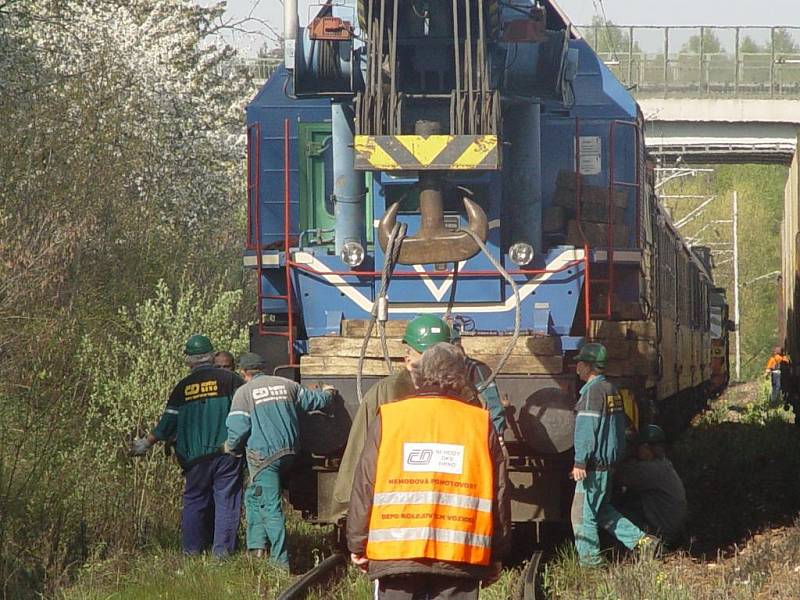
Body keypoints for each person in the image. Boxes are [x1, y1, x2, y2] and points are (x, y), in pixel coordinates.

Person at [347, 343, 510, 600]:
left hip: (396, 553)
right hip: (461, 557)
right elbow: (498, 493)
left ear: (420, 374)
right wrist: (496, 553)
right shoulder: (480, 424)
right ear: (461, 378)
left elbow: (366, 483)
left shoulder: (391, 418)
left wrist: (357, 542)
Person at [130, 334, 244, 557]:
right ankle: (221, 555)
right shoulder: (230, 380)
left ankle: (191, 552)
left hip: (194, 458)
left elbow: (166, 424)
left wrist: (145, 443)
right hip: (226, 454)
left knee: (194, 502)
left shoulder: (182, 387)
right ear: (212, 356)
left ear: (189, 361)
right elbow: (246, 409)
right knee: (226, 502)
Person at [330, 315, 455, 518]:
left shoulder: (468, 397)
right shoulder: (384, 394)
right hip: (418, 516)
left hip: (424, 517)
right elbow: (360, 453)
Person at [224, 352, 336, 568]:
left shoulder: (244, 393)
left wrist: (229, 447)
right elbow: (316, 401)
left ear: (243, 372)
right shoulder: (287, 385)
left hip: (264, 457)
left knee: (270, 507)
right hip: (289, 453)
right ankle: (256, 549)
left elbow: (238, 430)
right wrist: (329, 392)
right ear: (263, 368)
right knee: (254, 495)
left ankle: (279, 563)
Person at [570, 342, 658, 566]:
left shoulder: (592, 393)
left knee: (581, 515)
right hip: (608, 464)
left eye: (579, 362)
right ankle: (643, 542)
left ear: (589, 366)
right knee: (601, 512)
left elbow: (586, 431)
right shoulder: (611, 390)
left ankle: (591, 565)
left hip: (593, 466)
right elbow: (622, 428)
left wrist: (580, 461)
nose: (576, 366)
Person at [615, 424, 687, 548]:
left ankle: (648, 545)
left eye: (637, 447)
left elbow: (619, 475)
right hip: (672, 527)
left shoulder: (650, 470)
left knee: (614, 515)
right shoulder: (663, 464)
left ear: (646, 447)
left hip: (663, 532)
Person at [450, 327, 506, 437]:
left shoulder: (477, 370)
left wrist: (496, 437)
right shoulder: (438, 372)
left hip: (476, 435)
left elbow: (493, 408)